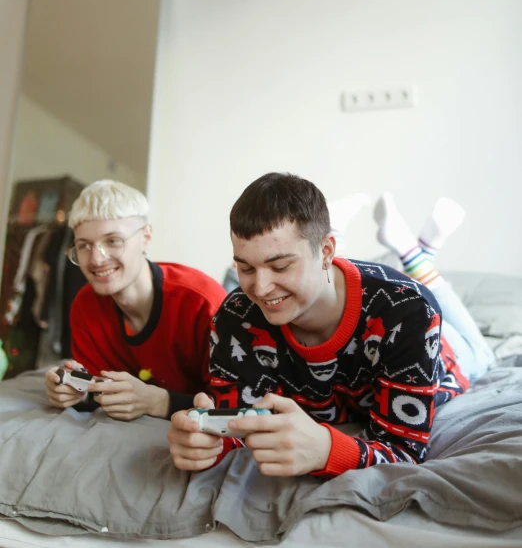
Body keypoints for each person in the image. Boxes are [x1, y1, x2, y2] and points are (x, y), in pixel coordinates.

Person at [168, 173, 491, 478]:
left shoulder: (409, 310)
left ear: (326, 251)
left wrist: (328, 451)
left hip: (452, 357)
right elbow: (241, 422)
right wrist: (207, 440)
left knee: (482, 353)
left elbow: (404, 449)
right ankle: (415, 250)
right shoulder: (234, 317)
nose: (261, 289)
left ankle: (418, 255)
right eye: (245, 269)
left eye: (279, 266)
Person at [45, 180, 226, 421]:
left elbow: (238, 404)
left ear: (146, 237)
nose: (97, 260)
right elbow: (99, 390)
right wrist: (77, 393)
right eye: (84, 245)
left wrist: (159, 401)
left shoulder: (203, 303)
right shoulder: (85, 305)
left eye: (113, 241)